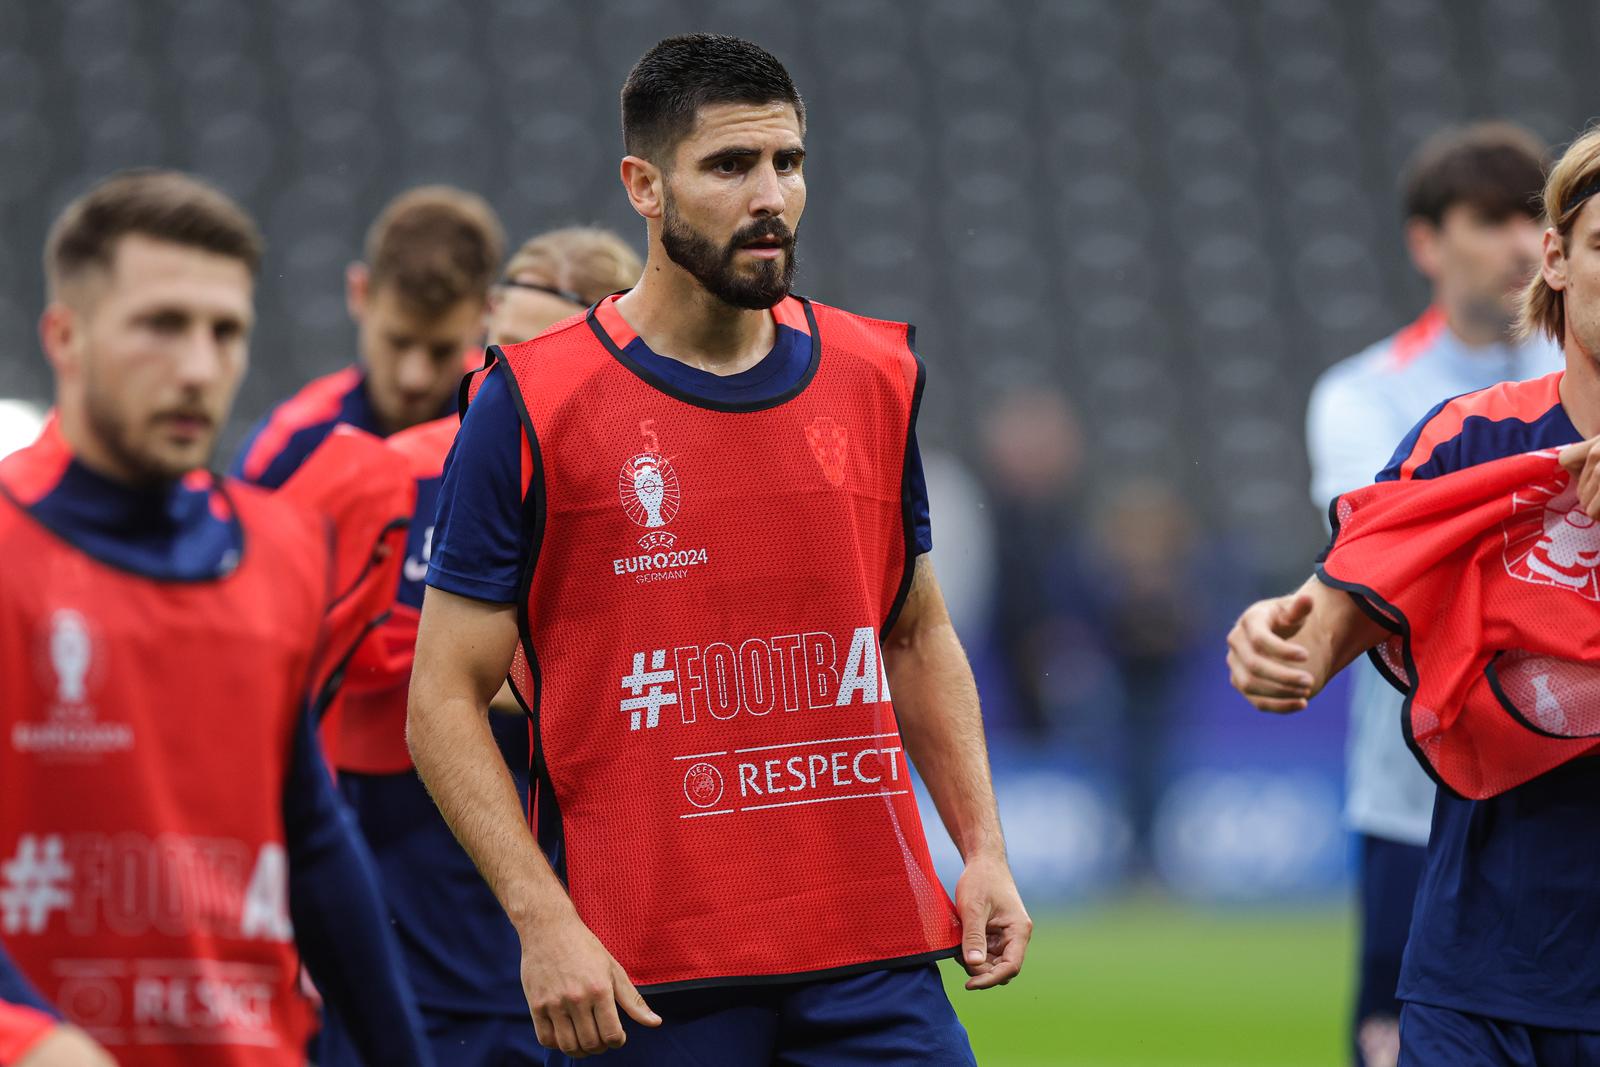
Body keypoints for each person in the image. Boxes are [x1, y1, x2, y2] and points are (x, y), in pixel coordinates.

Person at [408, 33, 1030, 1066]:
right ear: (643, 186)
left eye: (787, 162)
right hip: (648, 977)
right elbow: (441, 697)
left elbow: (915, 634)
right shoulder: (530, 401)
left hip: (873, 955)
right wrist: (542, 918)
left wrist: (983, 849)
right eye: (731, 166)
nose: (770, 195)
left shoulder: (874, 375)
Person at [0, 170, 432, 1066]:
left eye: (225, 331)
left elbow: (313, 842)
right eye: (161, 326)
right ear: (65, 337)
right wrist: (32, 1038)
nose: (199, 367)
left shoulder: (283, 552)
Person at [1229, 126, 1600, 1065]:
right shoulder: (1459, 432)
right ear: (1557, 259)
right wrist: (1282, 641)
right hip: (1476, 938)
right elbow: (1349, 592)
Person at [328, 227, 642, 1067]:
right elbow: (324, 671)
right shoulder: (392, 470)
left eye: (533, 354)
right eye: (496, 352)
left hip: (606, 865)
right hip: (423, 858)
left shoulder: (650, 478)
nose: (507, 381)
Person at [1303, 121, 1556, 1067]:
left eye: (1535, 221)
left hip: (1574, 794)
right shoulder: (1361, 392)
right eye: (1490, 220)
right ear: (1426, 241)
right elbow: (1387, 556)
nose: (1521, 245)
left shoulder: (1586, 381)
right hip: (1416, 794)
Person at [231, 185, 504, 487]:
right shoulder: (289, 446)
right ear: (359, 293)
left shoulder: (507, 434)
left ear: (487, 314)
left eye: (442, 351)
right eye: (397, 342)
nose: (414, 378)